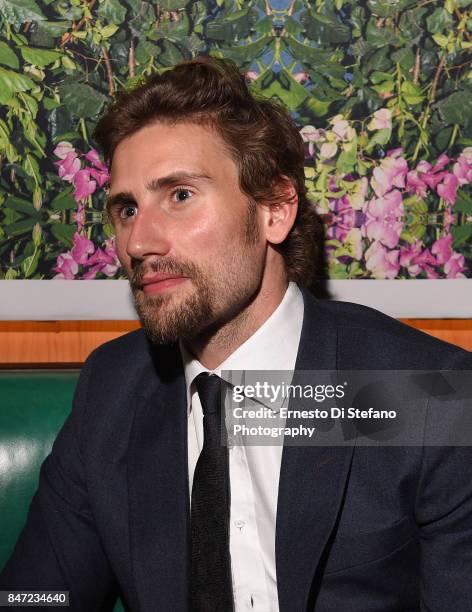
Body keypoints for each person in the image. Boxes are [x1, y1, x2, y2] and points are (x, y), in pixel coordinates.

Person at [1, 56, 471, 612]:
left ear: (274, 210)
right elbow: (37, 595)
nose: (139, 243)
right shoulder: (113, 387)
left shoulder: (425, 392)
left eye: (179, 195)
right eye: (127, 208)